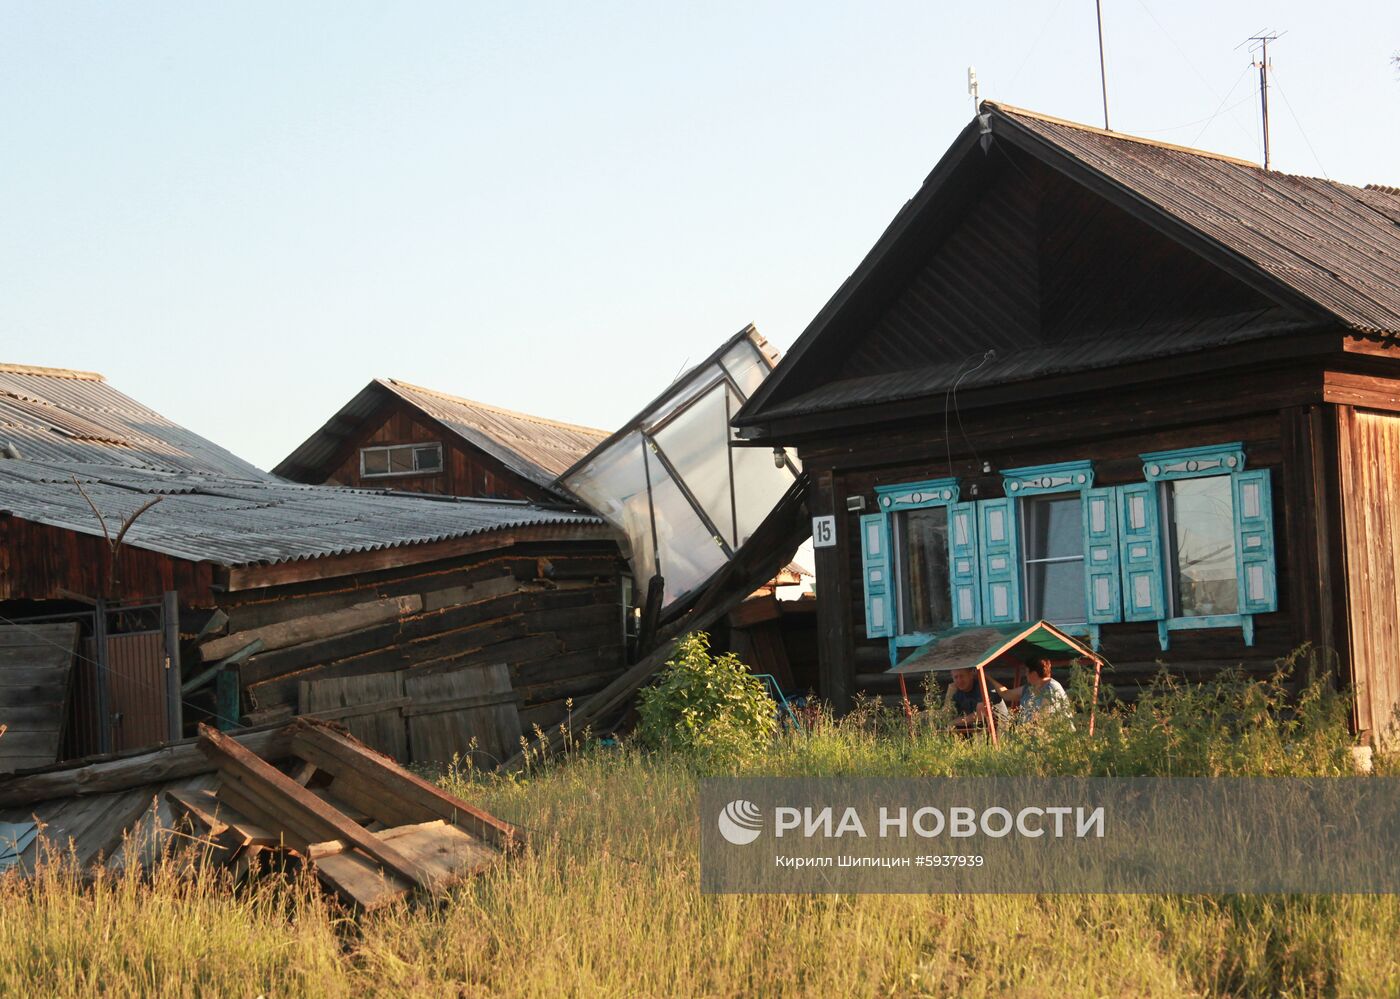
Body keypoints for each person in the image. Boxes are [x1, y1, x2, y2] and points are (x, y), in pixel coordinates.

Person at [992, 657, 1071, 725]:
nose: (1026, 675)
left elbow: (1043, 718)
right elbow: (1006, 694)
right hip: (1032, 736)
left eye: (1026, 672)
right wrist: (988, 679)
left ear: (1033, 674)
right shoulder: (1029, 688)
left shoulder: (1051, 688)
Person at [946, 666, 1010, 734]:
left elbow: (979, 715)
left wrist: (953, 722)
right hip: (977, 730)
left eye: (962, 676)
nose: (959, 680)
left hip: (999, 730)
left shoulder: (983, 686)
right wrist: (949, 695)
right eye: (956, 677)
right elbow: (946, 715)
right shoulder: (956, 691)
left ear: (971, 675)